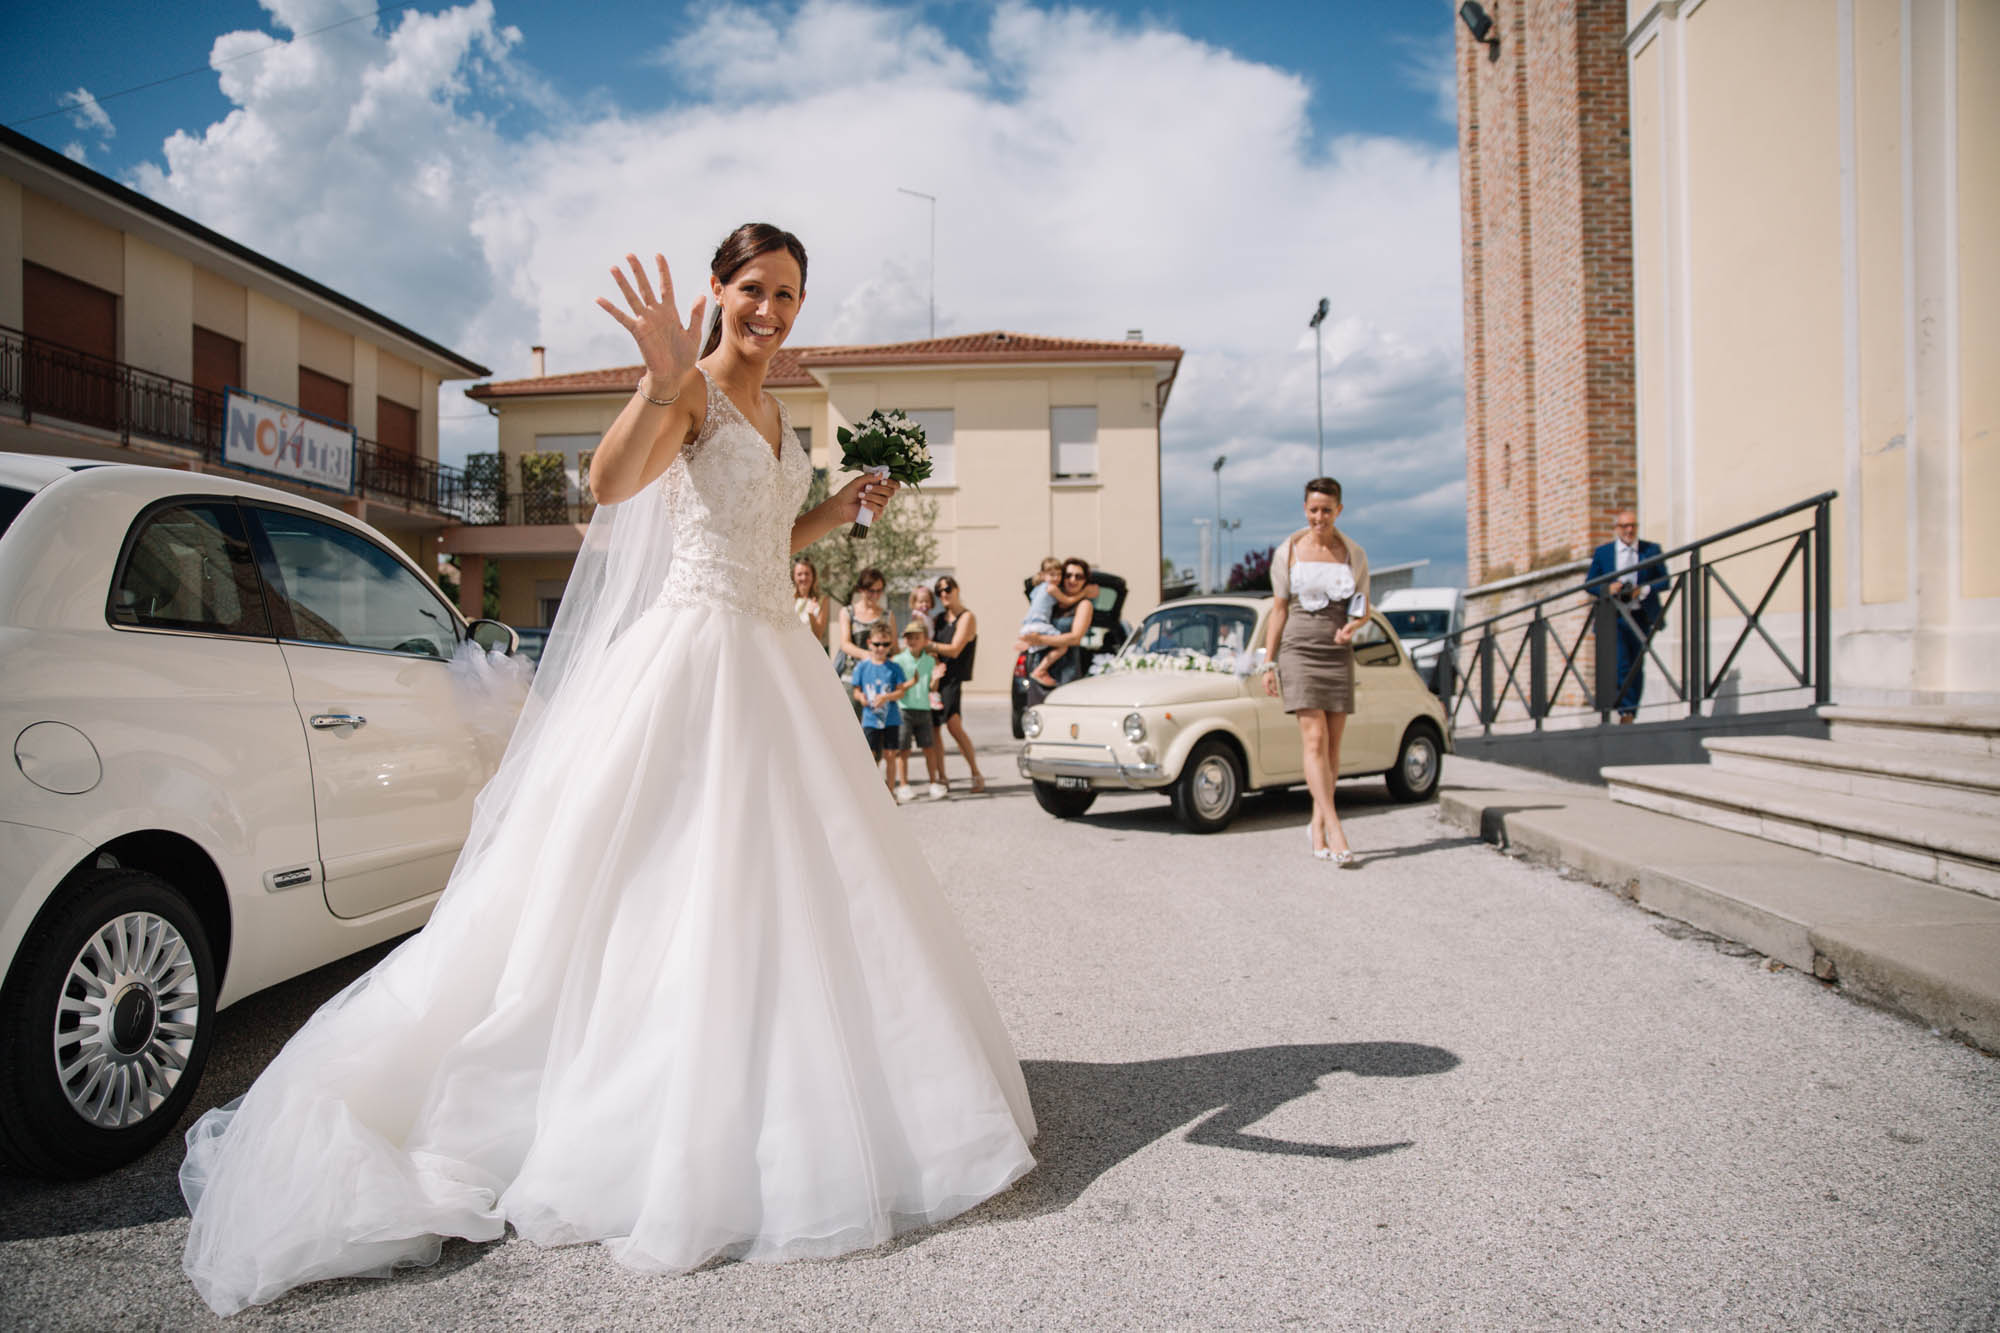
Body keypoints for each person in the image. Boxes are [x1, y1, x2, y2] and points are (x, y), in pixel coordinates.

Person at [178, 224, 1037, 1316]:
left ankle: (777, 1081)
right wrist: (659, 381)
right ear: (717, 289)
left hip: (773, 657)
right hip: (698, 659)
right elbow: (610, 482)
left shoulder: (779, 410)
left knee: (784, 885)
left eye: (787, 294)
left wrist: (840, 509)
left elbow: (767, 538)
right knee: (662, 878)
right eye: (753, 289)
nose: (770, 311)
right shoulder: (692, 392)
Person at [1261, 477, 1371, 867]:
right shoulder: (1288, 551)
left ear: (1338, 510)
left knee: (1333, 748)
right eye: (1313, 510)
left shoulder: (1353, 553)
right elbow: (1278, 610)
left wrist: (1353, 627)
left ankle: (1318, 824)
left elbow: (1362, 607)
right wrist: (1269, 662)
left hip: (1337, 652)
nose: (1319, 517)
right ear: (1304, 509)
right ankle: (1336, 828)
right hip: (1298, 650)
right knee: (1315, 739)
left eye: (1326, 510)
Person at [1587, 510, 1668, 723]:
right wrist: (1608, 588)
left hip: (1640, 615)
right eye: (1624, 526)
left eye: (1633, 525)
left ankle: (1630, 710)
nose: (1629, 530)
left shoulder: (1651, 550)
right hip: (1615, 617)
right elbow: (1590, 583)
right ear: (1617, 529)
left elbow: (1665, 581)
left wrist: (1643, 590)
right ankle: (1625, 711)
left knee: (1636, 665)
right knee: (1621, 664)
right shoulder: (1604, 552)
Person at [930, 575, 986, 793]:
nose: (943, 594)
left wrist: (927, 645)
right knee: (934, 729)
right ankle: (942, 777)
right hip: (936, 679)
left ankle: (976, 773)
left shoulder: (966, 617)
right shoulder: (938, 619)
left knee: (954, 726)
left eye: (947, 589)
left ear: (956, 589)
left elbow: (954, 650)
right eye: (939, 591)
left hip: (953, 679)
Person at [1014, 557, 1096, 688]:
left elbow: (1075, 638)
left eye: (1078, 576)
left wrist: (1038, 639)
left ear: (1085, 580)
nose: (1072, 580)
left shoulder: (1084, 604)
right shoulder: (1053, 599)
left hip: (1065, 670)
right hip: (1038, 667)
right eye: (1068, 575)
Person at [852, 625, 911, 794]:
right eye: (877, 644)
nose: (881, 648)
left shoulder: (894, 668)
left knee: (890, 755)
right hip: (870, 719)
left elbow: (901, 691)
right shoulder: (862, 667)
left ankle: (891, 791)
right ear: (869, 643)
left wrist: (886, 697)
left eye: (885, 644)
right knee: (871, 757)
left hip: (890, 718)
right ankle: (873, 792)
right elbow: (856, 690)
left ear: (890, 645)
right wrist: (861, 698)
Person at [895, 617, 948, 801]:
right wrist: (912, 682)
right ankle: (903, 785)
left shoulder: (930, 661)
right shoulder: (898, 660)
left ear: (925, 640)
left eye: (916, 637)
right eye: (909, 637)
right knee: (903, 749)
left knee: (928, 748)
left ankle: (933, 783)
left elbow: (932, 688)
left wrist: (937, 678)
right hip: (904, 709)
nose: (912, 640)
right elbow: (897, 686)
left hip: (924, 708)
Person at [833, 566, 890, 713]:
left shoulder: (887, 615)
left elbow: (894, 648)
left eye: (879, 591)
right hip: (852, 679)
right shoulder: (848, 612)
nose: (875, 595)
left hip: (878, 681)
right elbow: (845, 644)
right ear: (861, 590)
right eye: (871, 591)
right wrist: (867, 655)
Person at [791, 555, 829, 648]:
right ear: (793, 576)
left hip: (810, 648)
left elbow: (818, 635)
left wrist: (811, 614)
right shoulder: (788, 599)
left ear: (813, 576)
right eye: (799, 574)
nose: (804, 578)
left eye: (807, 573)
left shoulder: (822, 600)